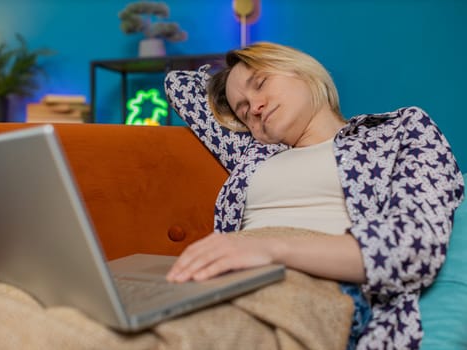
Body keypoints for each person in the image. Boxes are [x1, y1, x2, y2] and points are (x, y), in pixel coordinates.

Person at [164, 42, 464, 349]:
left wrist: (272, 248)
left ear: (302, 71)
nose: (254, 107)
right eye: (243, 110)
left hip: (318, 284)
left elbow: (416, 245)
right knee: (126, 329)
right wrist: (233, 79)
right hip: (227, 281)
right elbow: (179, 84)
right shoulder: (250, 152)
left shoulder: (400, 131)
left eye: (261, 82)